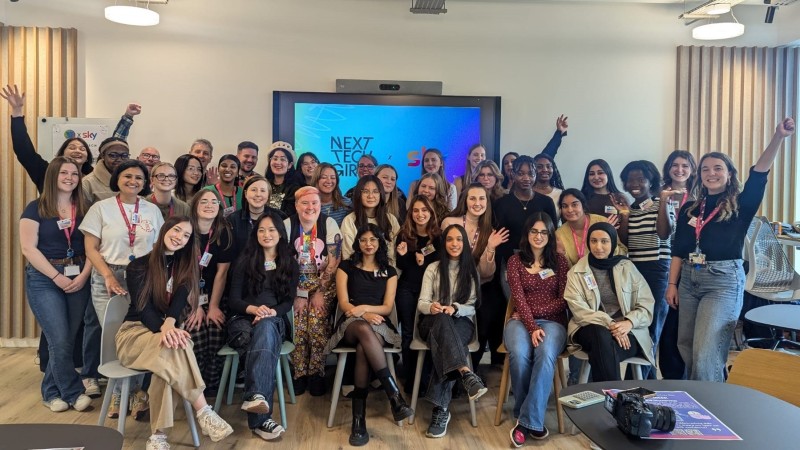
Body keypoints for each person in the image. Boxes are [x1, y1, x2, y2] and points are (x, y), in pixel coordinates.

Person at [668, 118, 795, 382]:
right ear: (699, 175)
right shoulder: (691, 209)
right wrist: (671, 284)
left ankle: (710, 411)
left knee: (706, 353)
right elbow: (678, 249)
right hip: (688, 281)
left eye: (718, 168)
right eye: (705, 169)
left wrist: (778, 137)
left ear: (729, 174)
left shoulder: (741, 204)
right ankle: (700, 402)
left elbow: (760, 173)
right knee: (688, 348)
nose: (711, 173)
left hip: (722, 282)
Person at [117, 216, 233, 449]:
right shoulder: (138, 265)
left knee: (166, 362)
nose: (179, 237)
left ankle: (158, 436)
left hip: (166, 333)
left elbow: (178, 304)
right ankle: (203, 410)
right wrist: (165, 329)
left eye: (186, 235)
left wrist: (169, 326)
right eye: (176, 230)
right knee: (173, 346)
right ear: (165, 230)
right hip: (134, 333)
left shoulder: (186, 268)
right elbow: (143, 309)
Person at [80, 159, 164, 419]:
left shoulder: (152, 210)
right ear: (117, 179)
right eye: (128, 176)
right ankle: (119, 392)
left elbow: (159, 247)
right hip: (109, 275)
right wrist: (107, 275)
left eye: (139, 178)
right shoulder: (100, 208)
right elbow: (91, 248)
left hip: (143, 276)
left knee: (139, 332)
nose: (133, 182)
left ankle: (137, 391)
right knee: (114, 334)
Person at [324, 224, 412, 446]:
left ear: (380, 242)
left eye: (373, 239)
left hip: (379, 323)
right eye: (363, 240)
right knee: (363, 329)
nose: (368, 244)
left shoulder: (389, 271)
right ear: (357, 243)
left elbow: (387, 306)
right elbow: (345, 304)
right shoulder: (346, 267)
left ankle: (358, 420)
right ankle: (394, 395)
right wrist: (362, 313)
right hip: (352, 322)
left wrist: (366, 310)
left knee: (365, 346)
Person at [20, 157, 93, 413]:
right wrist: (56, 276)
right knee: (59, 338)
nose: (70, 178)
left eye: (74, 173)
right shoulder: (36, 208)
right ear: (53, 176)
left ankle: (51, 392)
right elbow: (28, 249)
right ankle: (73, 391)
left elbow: (95, 247)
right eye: (64, 173)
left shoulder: (85, 207)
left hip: (79, 273)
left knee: (68, 338)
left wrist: (84, 275)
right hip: (44, 278)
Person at [228, 210, 298, 441]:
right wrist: (254, 310)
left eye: (271, 229)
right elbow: (234, 300)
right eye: (261, 229)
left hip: (273, 320)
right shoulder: (244, 261)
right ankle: (260, 414)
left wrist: (269, 313)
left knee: (266, 328)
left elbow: (288, 302)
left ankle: (256, 399)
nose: (266, 234)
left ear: (280, 233)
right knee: (257, 338)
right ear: (255, 233)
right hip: (243, 321)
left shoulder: (289, 263)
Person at [417, 224, 487, 439]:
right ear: (444, 243)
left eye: (459, 239)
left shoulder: (470, 269)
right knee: (442, 321)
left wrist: (455, 308)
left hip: (462, 322)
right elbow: (422, 302)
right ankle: (466, 373)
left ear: (464, 243)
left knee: (446, 342)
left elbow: (472, 305)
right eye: (450, 239)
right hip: (431, 322)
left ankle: (441, 410)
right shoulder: (433, 268)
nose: (454, 244)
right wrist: (433, 307)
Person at [505, 212, 569, 446]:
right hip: (520, 322)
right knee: (520, 354)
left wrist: (534, 315)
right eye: (534, 231)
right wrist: (530, 324)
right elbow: (518, 299)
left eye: (544, 232)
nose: (539, 236)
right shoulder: (515, 262)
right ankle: (532, 418)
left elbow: (565, 299)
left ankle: (524, 421)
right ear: (527, 233)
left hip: (553, 323)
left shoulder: (560, 262)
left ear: (550, 235)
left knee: (544, 354)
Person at [2, 84, 138, 192]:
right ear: (62, 153)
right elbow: (24, 151)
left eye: (82, 148)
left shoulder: (95, 175)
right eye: (72, 147)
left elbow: (113, 147)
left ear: (88, 156)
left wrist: (127, 117)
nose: (77, 150)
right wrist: (17, 112)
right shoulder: (46, 172)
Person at [563, 223, 655, 382]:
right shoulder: (576, 272)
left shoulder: (627, 267)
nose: (598, 246)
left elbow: (646, 306)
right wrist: (610, 323)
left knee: (603, 353)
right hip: (589, 329)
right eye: (593, 241)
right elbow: (579, 311)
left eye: (604, 241)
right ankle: (616, 399)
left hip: (627, 333)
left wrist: (629, 323)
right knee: (600, 335)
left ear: (613, 243)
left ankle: (608, 399)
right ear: (588, 243)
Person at [441, 184, 510, 368]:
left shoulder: (490, 230)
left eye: (482, 199)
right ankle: (459, 369)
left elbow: (487, 273)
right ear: (465, 200)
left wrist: (490, 247)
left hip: (479, 285)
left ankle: (474, 369)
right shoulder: (450, 223)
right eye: (473, 198)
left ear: (487, 202)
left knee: (488, 313)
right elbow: (445, 261)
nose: (477, 203)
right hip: (452, 285)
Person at [618, 160, 676, 377]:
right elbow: (625, 241)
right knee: (638, 327)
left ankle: (643, 385)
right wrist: (624, 216)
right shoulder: (630, 209)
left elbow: (664, 233)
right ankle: (638, 381)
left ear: (651, 182)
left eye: (641, 179)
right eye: (630, 180)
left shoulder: (661, 204)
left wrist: (662, 202)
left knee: (652, 329)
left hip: (658, 271)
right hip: (634, 271)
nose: (635, 184)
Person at [284, 187, 342, 396]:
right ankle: (299, 373)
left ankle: (316, 372)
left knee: (316, 322)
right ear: (296, 205)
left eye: (314, 203)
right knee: (298, 325)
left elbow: (334, 261)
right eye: (305, 203)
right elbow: (284, 266)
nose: (310, 207)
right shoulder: (287, 225)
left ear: (320, 205)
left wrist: (319, 290)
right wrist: (299, 294)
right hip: (294, 285)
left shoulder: (329, 224)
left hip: (322, 283)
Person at [185, 190, 235, 395]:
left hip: (214, 294)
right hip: (187, 296)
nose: (209, 205)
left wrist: (212, 306)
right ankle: (193, 387)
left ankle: (212, 385)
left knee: (215, 330)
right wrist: (196, 305)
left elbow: (222, 273)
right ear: (195, 205)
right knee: (195, 333)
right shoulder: (184, 231)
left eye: (214, 202)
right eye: (204, 201)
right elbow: (182, 274)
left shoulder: (223, 232)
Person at [395, 195, 442, 390]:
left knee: (427, 332)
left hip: (431, 293)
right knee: (408, 333)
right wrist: (405, 256)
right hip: (407, 289)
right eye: (416, 210)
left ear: (431, 212)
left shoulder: (438, 237)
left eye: (424, 210)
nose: (420, 214)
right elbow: (401, 266)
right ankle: (410, 378)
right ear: (411, 213)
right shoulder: (404, 235)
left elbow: (440, 267)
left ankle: (427, 378)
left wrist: (422, 264)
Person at [658, 150, 697, 380]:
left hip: (694, 266)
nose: (680, 170)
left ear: (692, 170)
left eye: (685, 165)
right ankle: (672, 376)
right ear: (668, 168)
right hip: (667, 264)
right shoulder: (659, 194)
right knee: (670, 325)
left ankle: (692, 374)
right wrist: (663, 201)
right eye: (675, 165)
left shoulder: (701, 196)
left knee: (689, 325)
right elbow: (662, 234)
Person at [494, 155, 558, 266]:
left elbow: (552, 234)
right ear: (512, 174)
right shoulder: (501, 203)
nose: (526, 178)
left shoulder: (546, 202)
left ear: (535, 175)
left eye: (530, 174)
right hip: (509, 261)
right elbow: (500, 238)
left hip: (540, 261)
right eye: (521, 173)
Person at [340, 175, 400, 266]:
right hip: (359, 274)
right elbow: (348, 254)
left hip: (388, 273)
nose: (371, 196)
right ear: (359, 195)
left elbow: (395, 254)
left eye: (375, 191)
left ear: (381, 194)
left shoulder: (391, 219)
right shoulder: (349, 220)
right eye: (365, 191)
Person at [555, 189, 623, 267]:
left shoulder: (602, 222)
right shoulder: (559, 234)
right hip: (577, 277)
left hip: (608, 271)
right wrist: (563, 254)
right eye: (565, 206)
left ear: (583, 206)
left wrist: (608, 238)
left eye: (574, 205)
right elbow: (564, 268)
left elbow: (622, 252)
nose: (570, 210)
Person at [229, 176, 286, 255]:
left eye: (263, 190)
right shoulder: (233, 219)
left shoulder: (280, 217)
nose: (258, 194)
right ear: (245, 193)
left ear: (269, 195)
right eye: (253, 190)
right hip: (242, 265)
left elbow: (284, 247)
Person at [82, 137, 132, 204]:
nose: (119, 159)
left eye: (124, 155)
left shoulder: (135, 180)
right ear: (103, 155)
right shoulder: (88, 182)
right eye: (113, 155)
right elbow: (83, 213)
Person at [264, 141, 299, 216]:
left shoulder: (295, 189)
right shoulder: (263, 184)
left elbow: (290, 215)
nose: (278, 162)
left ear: (290, 165)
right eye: (275, 158)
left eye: (283, 159)